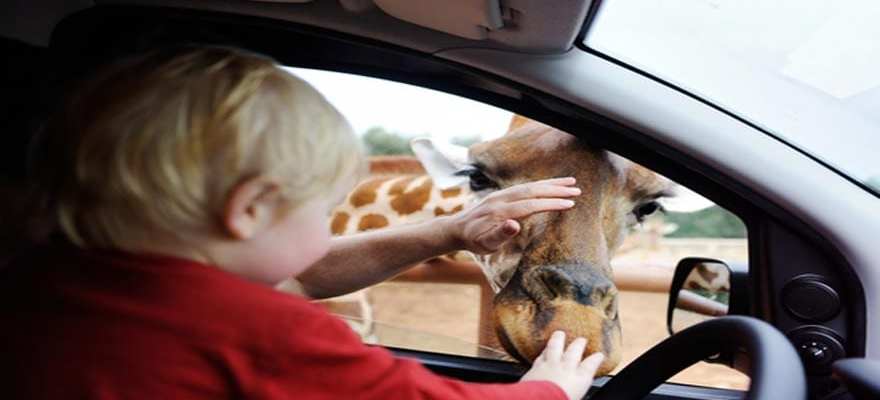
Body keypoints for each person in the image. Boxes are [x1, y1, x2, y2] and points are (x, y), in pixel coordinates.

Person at [0, 45, 604, 400]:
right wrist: (548, 390)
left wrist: (449, 230)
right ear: (251, 209)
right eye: (324, 207)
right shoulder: (262, 330)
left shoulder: (40, 281)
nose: (329, 224)